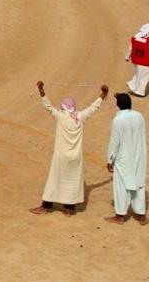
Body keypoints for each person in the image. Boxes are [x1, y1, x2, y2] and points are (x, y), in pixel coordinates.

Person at [31, 80, 108, 216]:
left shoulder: (60, 116)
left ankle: (46, 206)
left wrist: (41, 90)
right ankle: (69, 208)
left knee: (55, 179)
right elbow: (93, 108)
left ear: (63, 107)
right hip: (75, 157)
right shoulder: (80, 117)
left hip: (61, 156)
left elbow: (48, 106)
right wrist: (103, 94)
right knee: (71, 181)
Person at [106, 92, 149, 225]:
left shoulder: (118, 120)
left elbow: (114, 142)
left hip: (124, 158)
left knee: (122, 186)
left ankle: (120, 216)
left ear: (118, 105)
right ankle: (141, 215)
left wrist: (110, 159)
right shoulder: (139, 116)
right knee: (138, 184)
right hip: (139, 155)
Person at [125, 24, 149, 97]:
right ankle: (140, 92)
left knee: (137, 75)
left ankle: (132, 85)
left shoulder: (134, 39)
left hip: (135, 61)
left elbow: (130, 49)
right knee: (143, 78)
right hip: (145, 63)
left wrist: (127, 57)